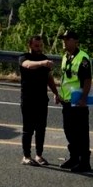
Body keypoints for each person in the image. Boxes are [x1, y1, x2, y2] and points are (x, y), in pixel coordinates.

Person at [18, 34, 61, 167]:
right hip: (28, 99)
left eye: (41, 45)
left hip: (42, 99)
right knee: (28, 129)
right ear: (30, 45)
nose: (39, 48)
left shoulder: (44, 59)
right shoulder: (24, 57)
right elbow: (28, 65)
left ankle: (39, 155)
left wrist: (56, 93)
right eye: (36, 45)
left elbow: (49, 78)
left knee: (41, 128)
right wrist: (42, 63)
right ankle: (26, 156)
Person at [58, 29, 93, 172]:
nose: (64, 42)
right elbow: (65, 79)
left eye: (67, 39)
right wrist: (59, 94)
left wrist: (83, 98)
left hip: (78, 100)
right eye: (64, 39)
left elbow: (87, 80)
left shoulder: (82, 58)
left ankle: (84, 161)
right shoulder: (65, 56)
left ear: (75, 41)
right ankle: (74, 157)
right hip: (67, 100)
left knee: (81, 132)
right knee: (69, 130)